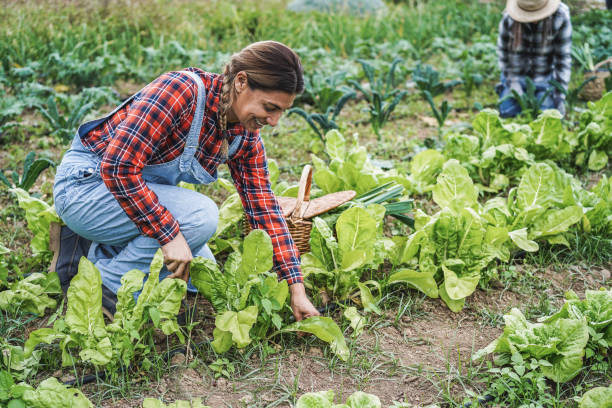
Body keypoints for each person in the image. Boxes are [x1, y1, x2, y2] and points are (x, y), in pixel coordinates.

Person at [52, 41, 319, 322]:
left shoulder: (244, 136)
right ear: (241, 81)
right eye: (270, 107)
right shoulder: (181, 91)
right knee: (201, 217)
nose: (274, 120)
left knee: (202, 270)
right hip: (86, 188)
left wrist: (296, 288)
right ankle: (106, 286)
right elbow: (118, 168)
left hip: (125, 203)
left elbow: (264, 209)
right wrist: (169, 234)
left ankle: (84, 252)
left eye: (281, 112)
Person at [496, 0, 572, 117]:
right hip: (516, 77)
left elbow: (563, 59)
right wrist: (513, 85)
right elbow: (503, 55)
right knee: (507, 112)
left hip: (545, 78)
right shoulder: (508, 18)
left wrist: (559, 97)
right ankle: (504, 89)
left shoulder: (560, 16)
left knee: (544, 116)